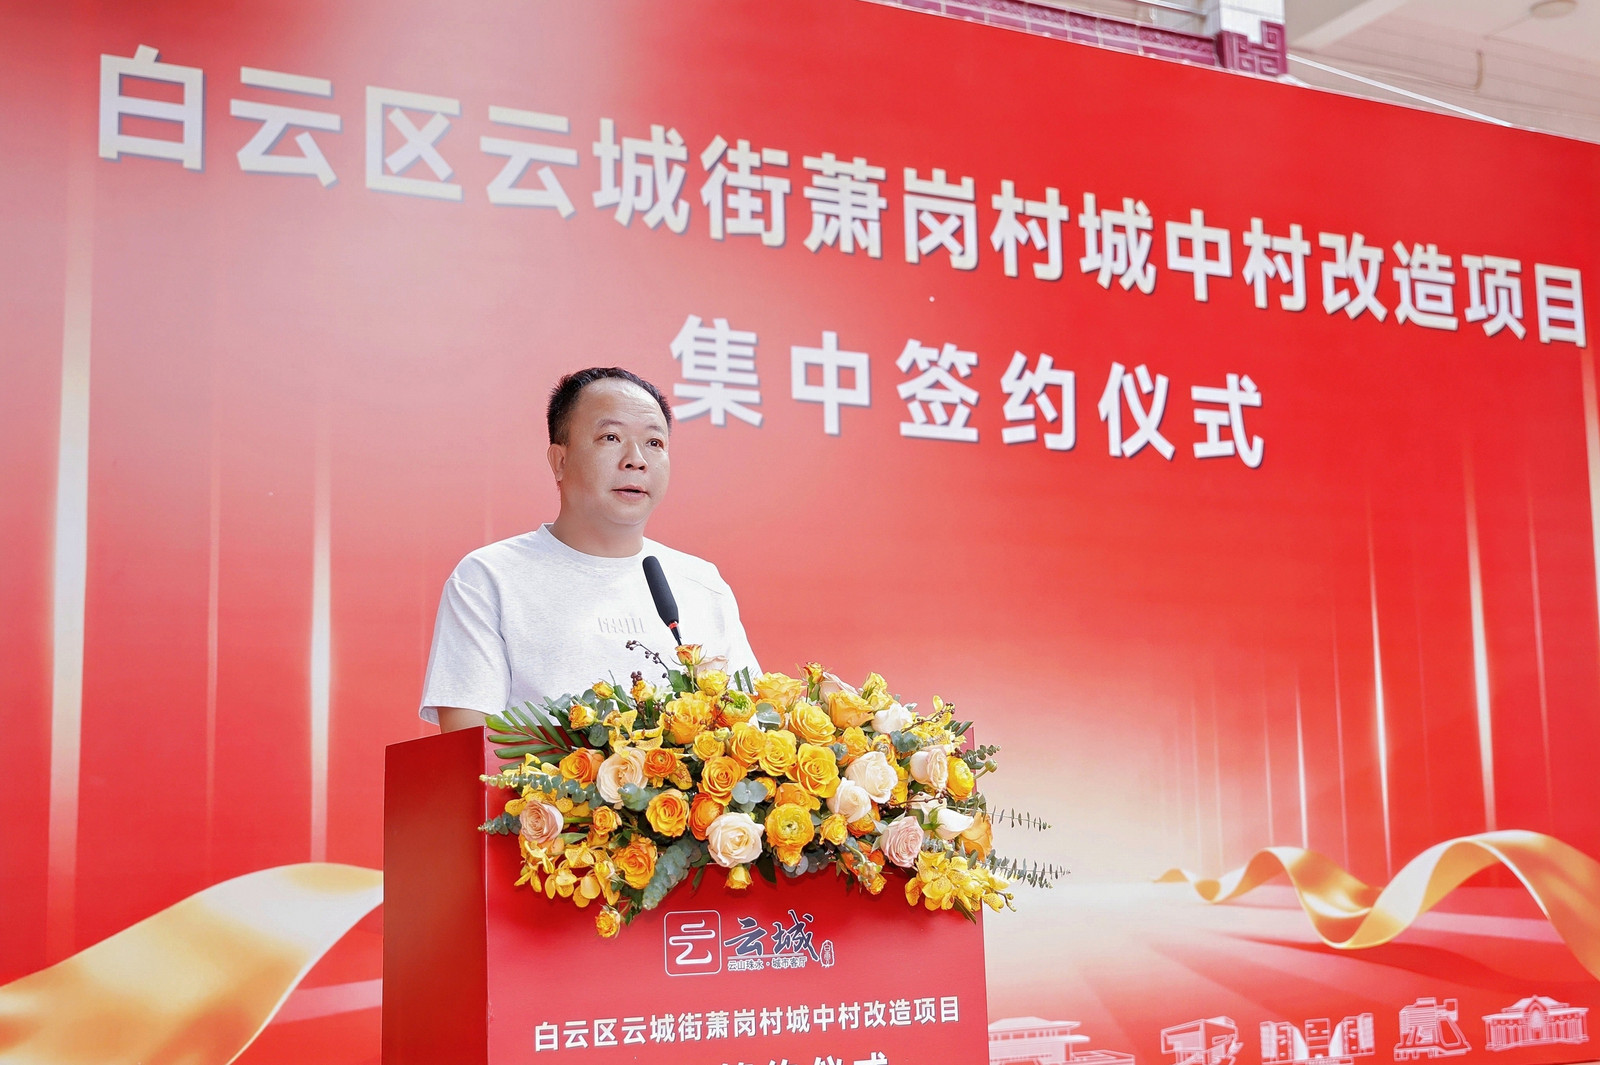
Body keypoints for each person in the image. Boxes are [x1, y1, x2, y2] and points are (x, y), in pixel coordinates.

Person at [420, 367, 760, 732]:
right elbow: (467, 745)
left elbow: (752, 731)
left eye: (654, 443)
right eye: (611, 437)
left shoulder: (702, 584)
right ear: (560, 461)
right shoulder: (489, 578)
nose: (636, 459)